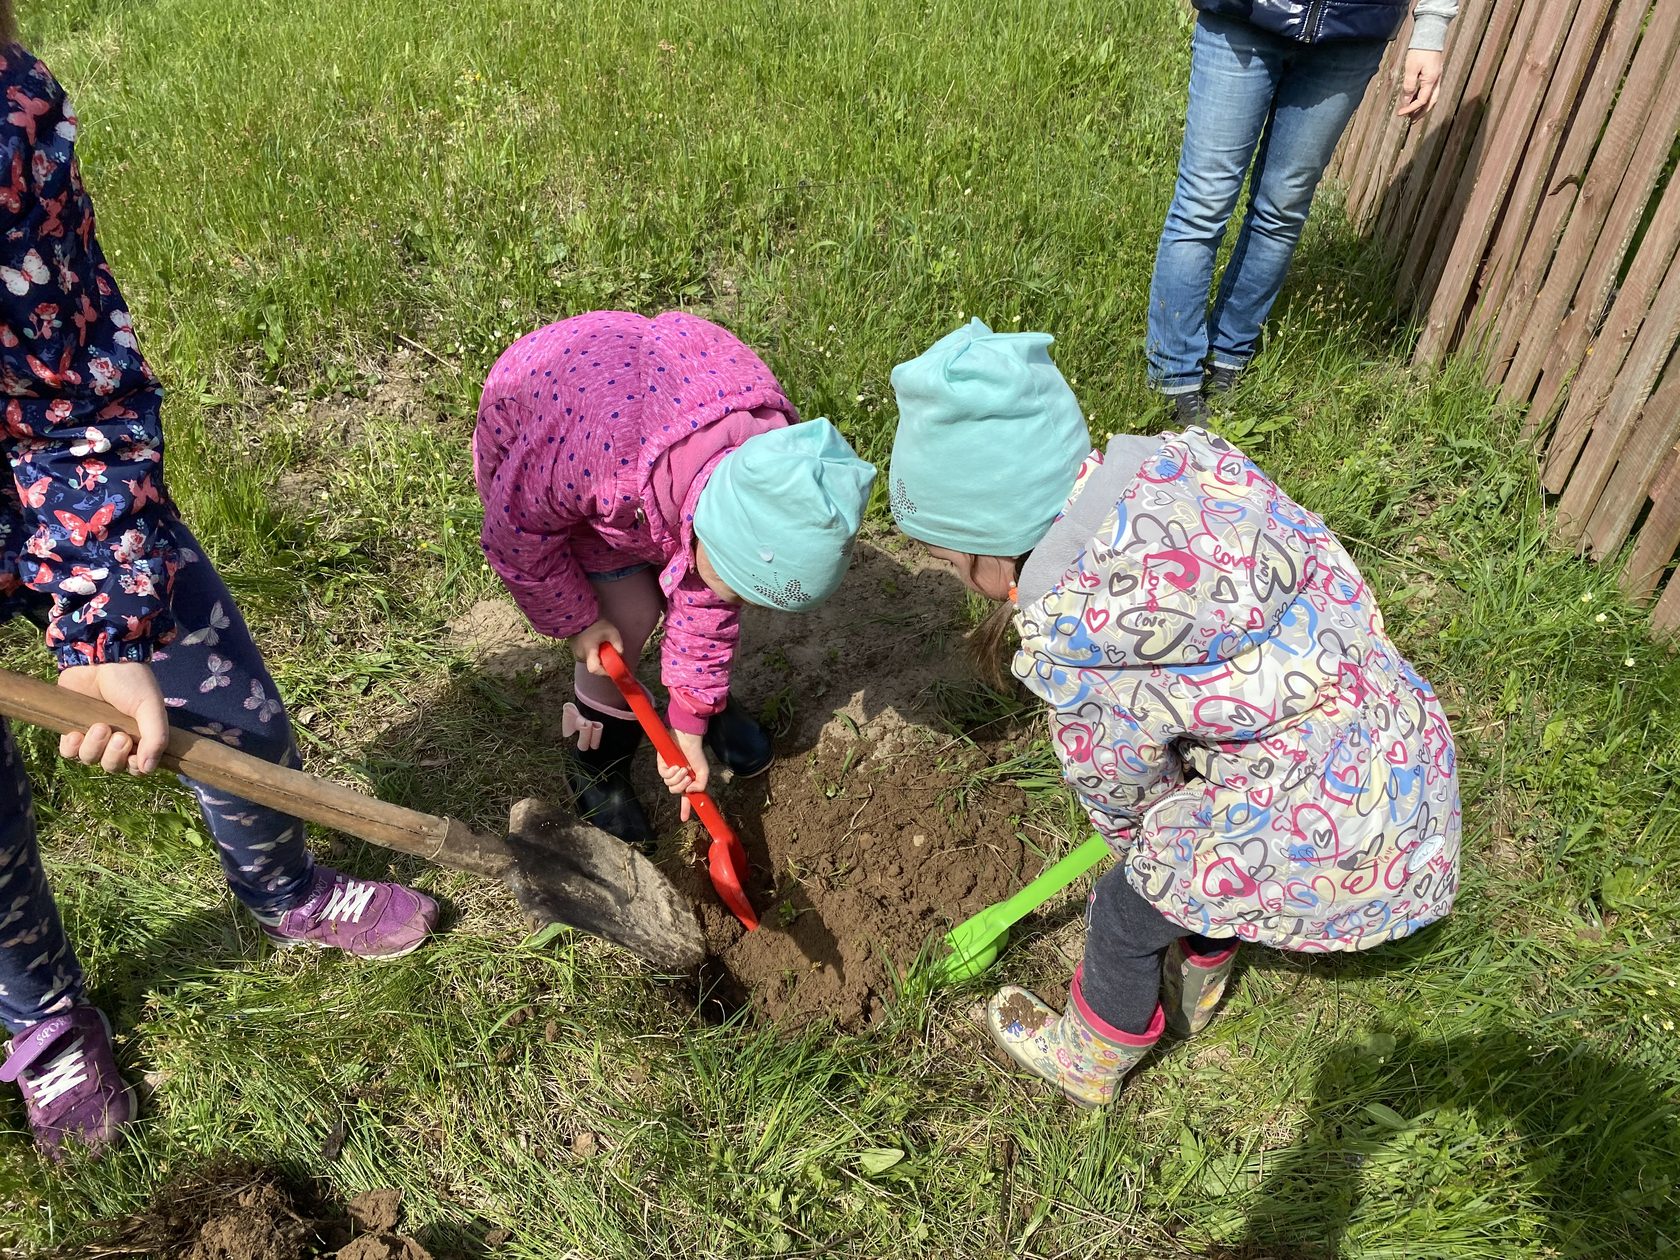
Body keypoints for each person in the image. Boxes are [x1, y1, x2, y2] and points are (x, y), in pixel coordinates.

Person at [0, 25, 440, 1157]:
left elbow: (75, 382)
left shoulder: (5, 126)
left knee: (221, 696)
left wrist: (102, 617)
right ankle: (43, 1018)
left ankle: (283, 879)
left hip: (52, 487)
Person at [889, 320, 1460, 1105]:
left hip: (1326, 827)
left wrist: (1141, 851)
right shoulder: (1194, 471)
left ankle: (1090, 1060)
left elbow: (1118, 786)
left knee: (1131, 907)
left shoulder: (1075, 634)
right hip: (1395, 747)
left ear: (993, 542)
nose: (957, 577)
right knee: (1211, 840)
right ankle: (1203, 972)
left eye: (954, 561)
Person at [474, 311, 875, 848]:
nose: (728, 599)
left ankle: (698, 702)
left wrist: (688, 724)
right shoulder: (593, 461)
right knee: (628, 617)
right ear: (706, 525)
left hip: (655, 454)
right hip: (545, 425)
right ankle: (596, 761)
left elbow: (706, 600)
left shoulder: (774, 458)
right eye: (734, 581)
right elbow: (516, 534)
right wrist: (577, 620)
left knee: (699, 605)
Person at [1148, 0, 1459, 421]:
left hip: (1352, 33)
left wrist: (1431, 31)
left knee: (1282, 209)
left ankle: (1229, 358)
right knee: (1204, 202)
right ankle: (1174, 376)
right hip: (1245, 18)